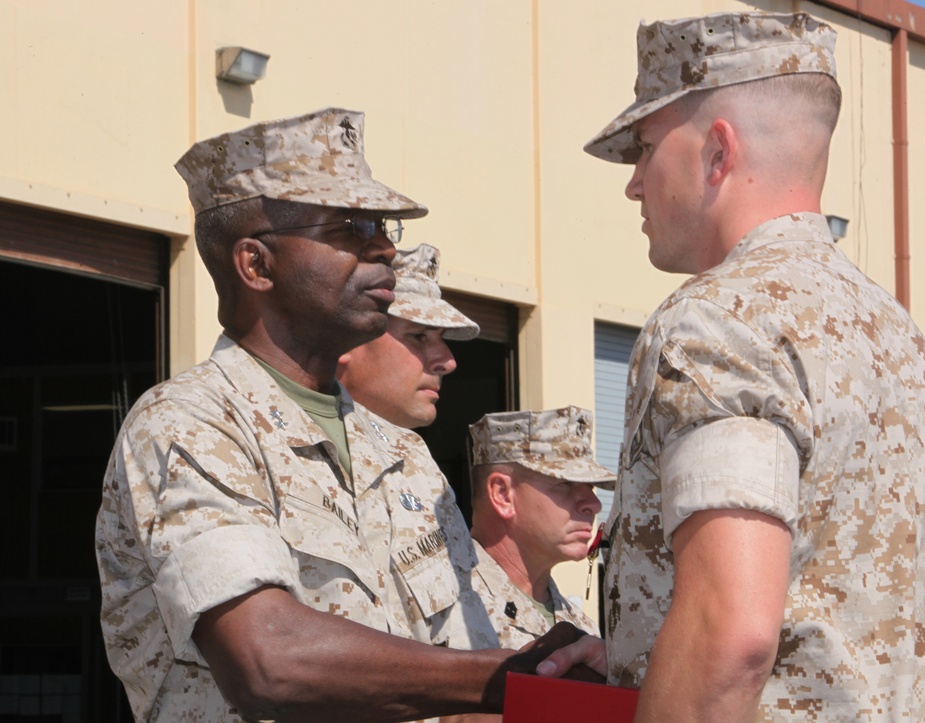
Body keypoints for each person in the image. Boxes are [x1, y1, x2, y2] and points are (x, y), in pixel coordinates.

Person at [95, 106, 603, 723]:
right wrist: (501, 679)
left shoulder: (401, 456)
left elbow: (479, 646)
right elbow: (268, 660)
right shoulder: (190, 424)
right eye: (350, 227)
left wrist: (575, 665)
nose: (385, 246)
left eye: (382, 224)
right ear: (256, 264)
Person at [583, 11, 925, 721]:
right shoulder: (913, 353)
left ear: (717, 152)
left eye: (642, 148)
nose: (634, 184)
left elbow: (730, 636)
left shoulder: (721, 322)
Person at [468, 406, 610, 647]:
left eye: (591, 487)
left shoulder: (582, 629)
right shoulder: (448, 602)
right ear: (503, 495)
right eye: (565, 483)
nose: (594, 504)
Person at [337, 242, 478, 430]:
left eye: (441, 337)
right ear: (344, 340)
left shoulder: (412, 455)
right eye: (419, 336)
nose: (448, 362)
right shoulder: (288, 448)